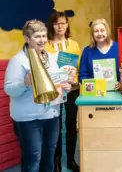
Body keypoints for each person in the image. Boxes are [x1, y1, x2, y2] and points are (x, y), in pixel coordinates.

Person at [4, 20, 72, 172]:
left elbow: (57, 83)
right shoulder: (18, 60)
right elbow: (9, 89)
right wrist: (25, 83)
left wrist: (65, 87)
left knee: (49, 153)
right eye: (37, 36)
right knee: (34, 157)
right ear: (27, 39)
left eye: (44, 36)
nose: (42, 40)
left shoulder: (52, 58)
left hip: (52, 114)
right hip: (29, 118)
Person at [45, 11, 81, 172]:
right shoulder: (45, 44)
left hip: (72, 89)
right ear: (51, 25)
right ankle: (57, 161)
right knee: (56, 126)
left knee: (72, 126)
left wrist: (75, 80)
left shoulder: (74, 45)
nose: (60, 26)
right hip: (55, 91)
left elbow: (79, 69)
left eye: (63, 23)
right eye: (57, 23)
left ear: (67, 25)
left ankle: (71, 159)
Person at [79, 18, 120, 89]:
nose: (99, 34)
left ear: (107, 31)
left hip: (118, 92)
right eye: (96, 31)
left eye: (102, 30)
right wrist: (92, 87)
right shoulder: (87, 51)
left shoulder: (119, 47)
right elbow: (82, 75)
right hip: (95, 94)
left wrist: (121, 83)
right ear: (92, 34)